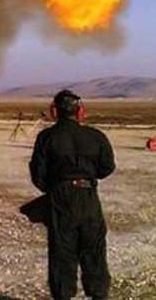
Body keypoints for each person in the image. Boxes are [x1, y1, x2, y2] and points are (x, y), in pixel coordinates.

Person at [29, 89, 116, 300]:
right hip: (88, 195)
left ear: (54, 111)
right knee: (93, 248)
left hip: (60, 197)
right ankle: (98, 294)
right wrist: (86, 176)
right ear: (80, 111)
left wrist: (55, 188)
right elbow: (107, 167)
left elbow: (38, 174)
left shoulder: (46, 137)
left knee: (62, 250)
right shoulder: (95, 136)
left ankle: (63, 295)